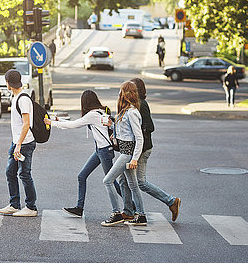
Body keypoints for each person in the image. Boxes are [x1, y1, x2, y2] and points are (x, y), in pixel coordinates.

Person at [43, 90, 134, 218]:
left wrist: (52, 123)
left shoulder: (93, 115)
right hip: (100, 150)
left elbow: (74, 125)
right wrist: (59, 120)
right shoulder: (99, 112)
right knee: (82, 176)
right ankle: (79, 208)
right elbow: (79, 121)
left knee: (111, 181)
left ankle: (131, 207)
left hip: (104, 151)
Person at [130, 78, 181, 222]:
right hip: (137, 149)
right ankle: (130, 210)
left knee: (141, 183)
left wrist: (137, 132)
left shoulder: (141, 104)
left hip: (142, 149)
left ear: (137, 90)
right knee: (126, 180)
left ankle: (171, 201)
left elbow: (150, 127)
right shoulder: (135, 104)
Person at [101, 81, 147, 226]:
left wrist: (135, 158)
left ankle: (116, 213)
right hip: (123, 151)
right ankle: (140, 215)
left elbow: (139, 137)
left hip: (127, 154)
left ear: (127, 94)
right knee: (132, 184)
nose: (119, 94)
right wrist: (112, 125)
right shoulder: (124, 111)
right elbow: (125, 130)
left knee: (108, 180)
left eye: (122, 91)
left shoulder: (133, 112)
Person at [0, 69, 38, 217]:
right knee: (10, 172)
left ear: (8, 82)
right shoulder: (16, 98)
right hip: (17, 142)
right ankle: (14, 204)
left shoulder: (23, 99)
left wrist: (19, 145)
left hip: (25, 143)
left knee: (24, 174)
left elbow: (26, 124)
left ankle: (31, 207)